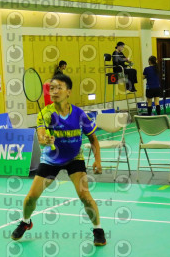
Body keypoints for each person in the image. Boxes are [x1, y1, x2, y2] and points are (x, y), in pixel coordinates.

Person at [10, 73, 106, 246]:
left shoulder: (79, 114)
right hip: (51, 159)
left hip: (74, 158)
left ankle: (98, 229)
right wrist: (45, 139)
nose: (54, 91)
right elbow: (40, 135)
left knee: (84, 195)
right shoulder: (45, 113)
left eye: (59, 88)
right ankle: (26, 222)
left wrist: (98, 160)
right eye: (52, 88)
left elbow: (93, 139)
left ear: (68, 92)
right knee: (31, 197)